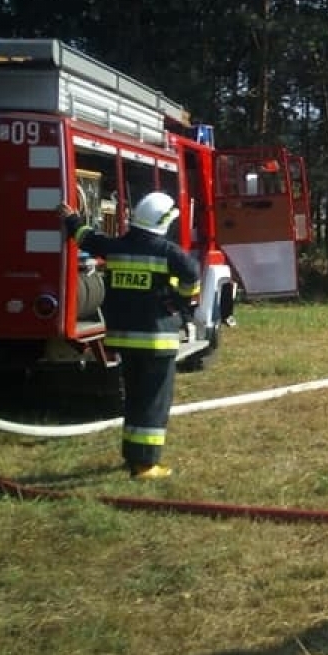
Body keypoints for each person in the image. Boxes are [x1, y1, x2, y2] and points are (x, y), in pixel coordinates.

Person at [57, 191, 201, 480]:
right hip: (156, 340)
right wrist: (178, 302)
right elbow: (192, 276)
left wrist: (71, 219)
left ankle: (133, 457)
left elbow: (87, 238)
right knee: (153, 402)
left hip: (124, 340)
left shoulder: (116, 246)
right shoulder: (168, 252)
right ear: (163, 221)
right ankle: (145, 465)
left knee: (135, 399)